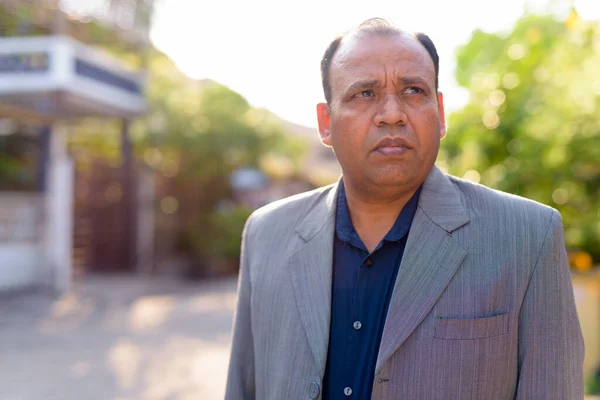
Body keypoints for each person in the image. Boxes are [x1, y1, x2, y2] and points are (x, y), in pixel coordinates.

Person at [225, 18, 585, 400]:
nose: (392, 114)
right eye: (364, 93)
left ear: (440, 112)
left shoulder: (528, 235)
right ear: (326, 123)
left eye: (413, 90)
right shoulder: (266, 234)